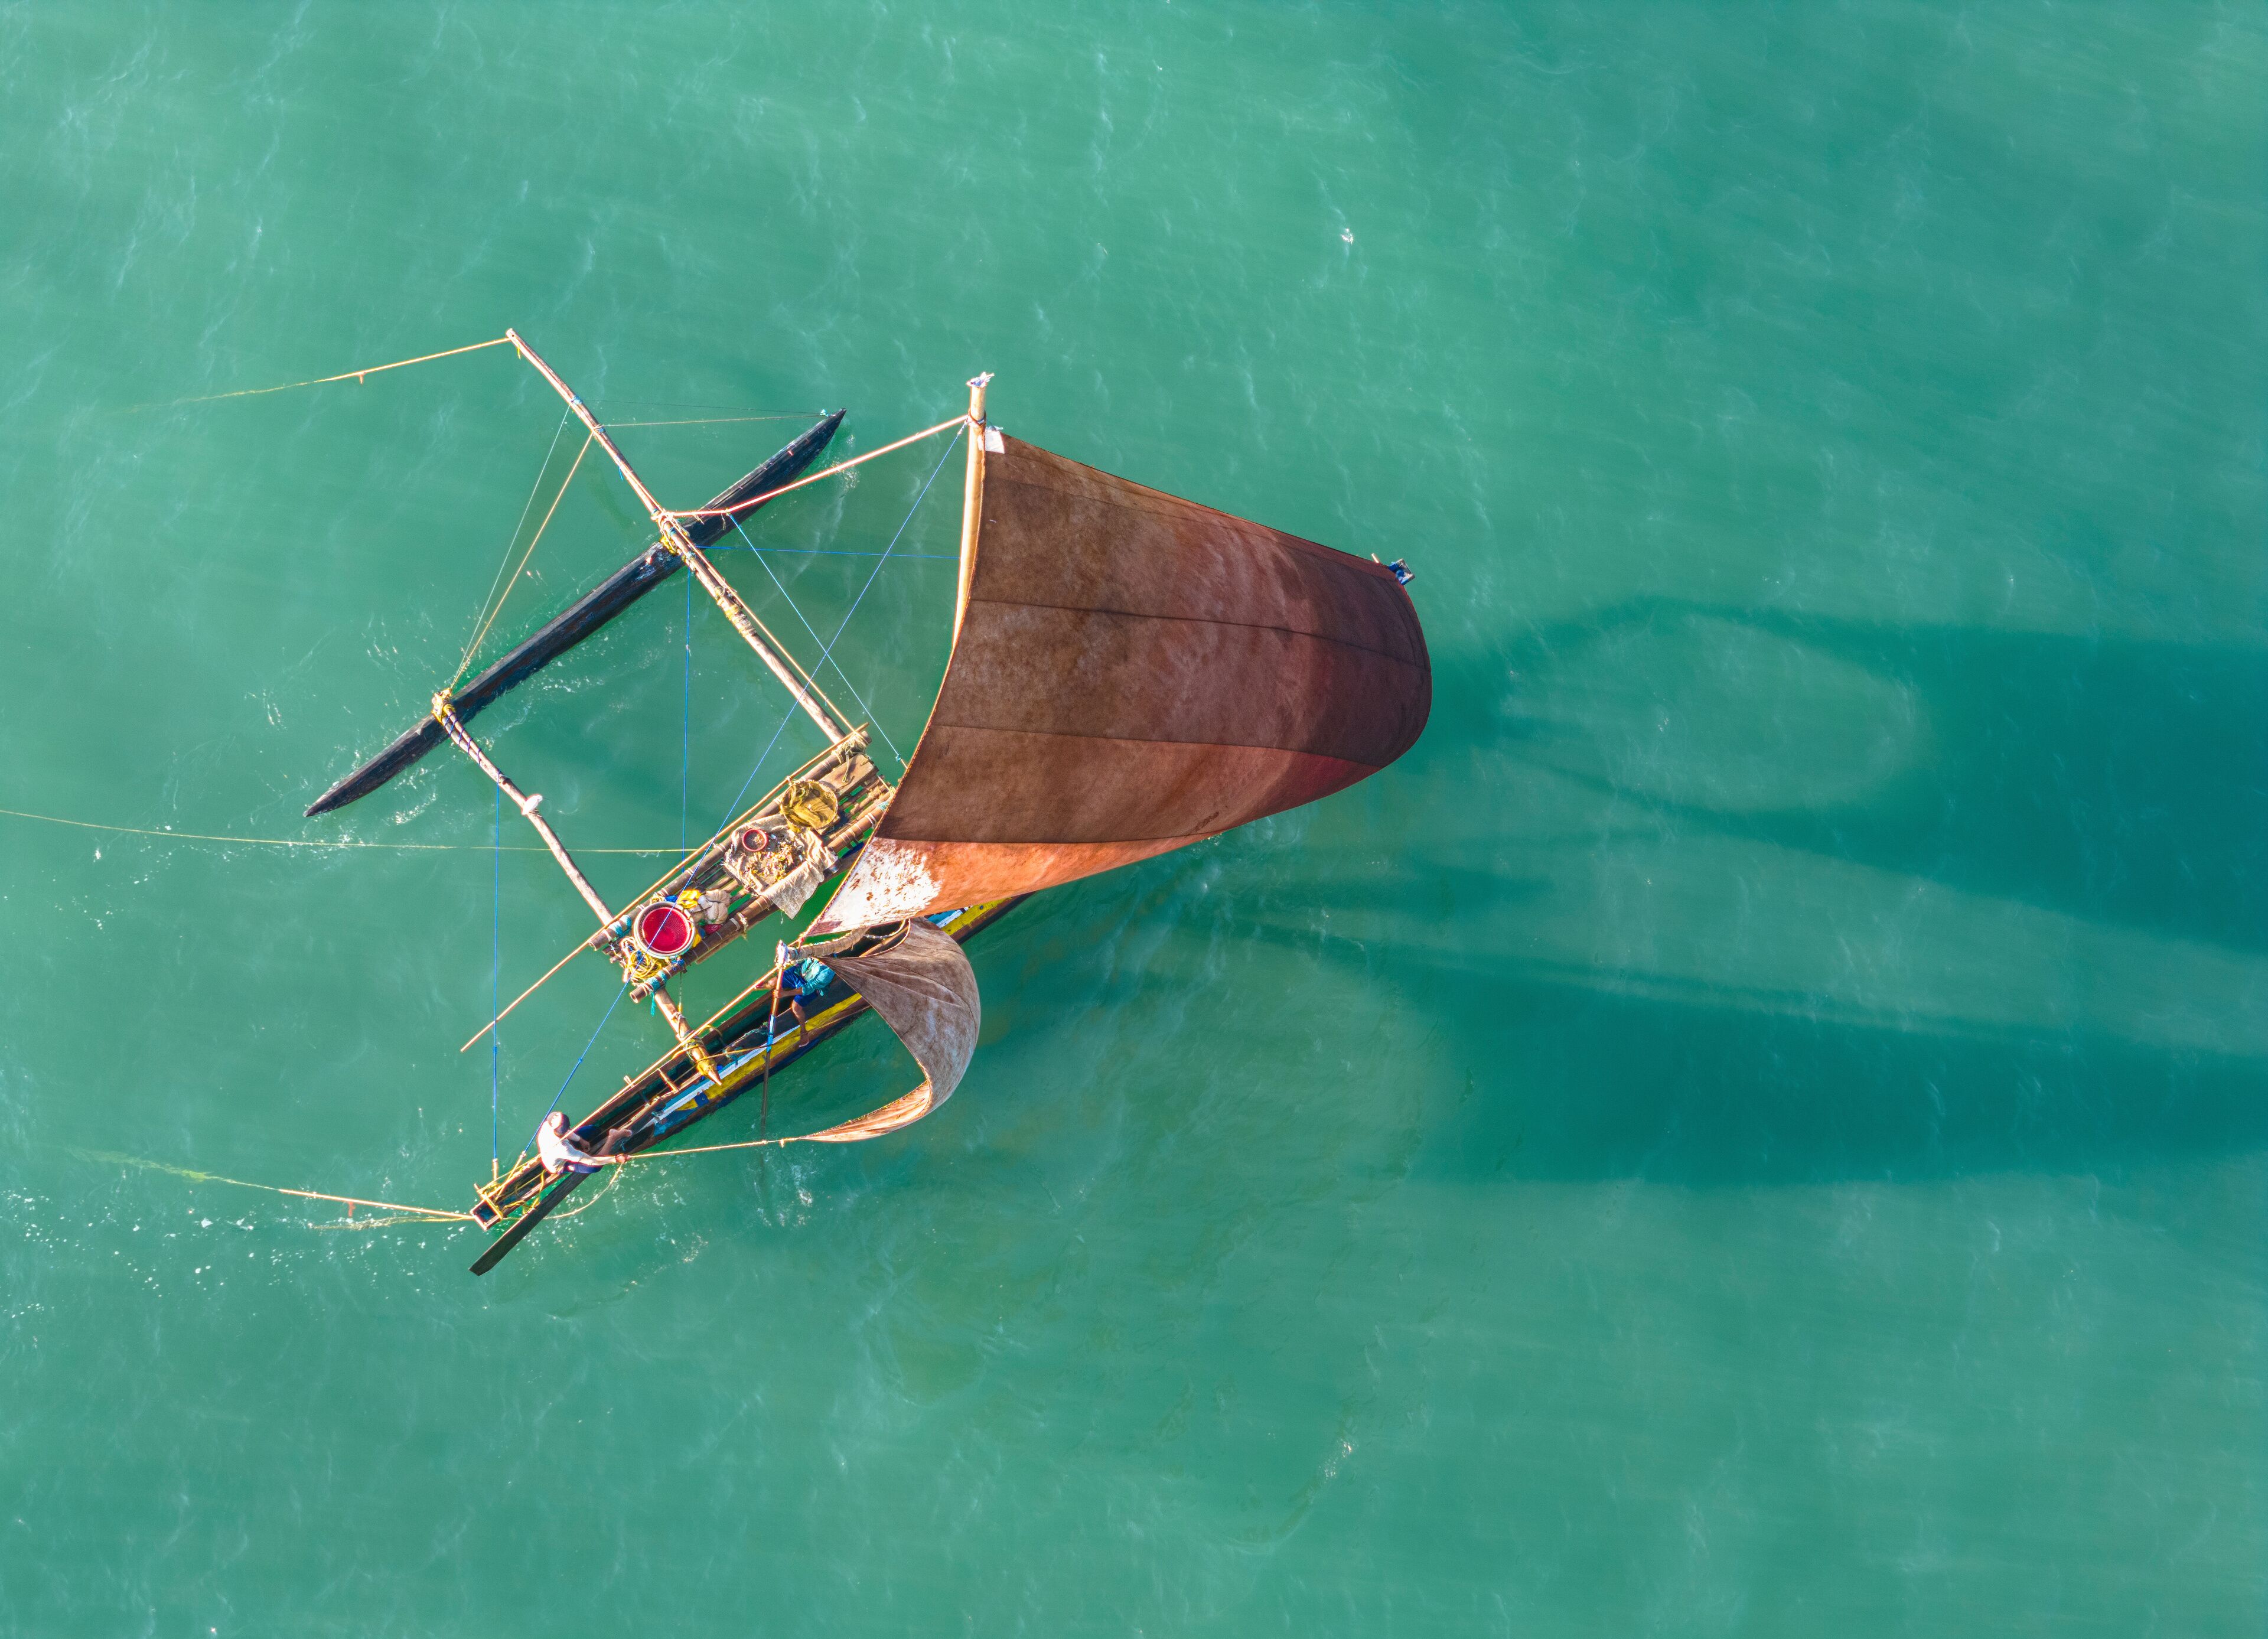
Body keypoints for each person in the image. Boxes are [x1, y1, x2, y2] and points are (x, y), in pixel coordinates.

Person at [536, 1111, 618, 1175]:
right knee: (595, 1168)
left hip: (564, 1144)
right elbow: (591, 1161)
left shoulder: (548, 1124)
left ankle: (605, 1134)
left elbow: (567, 1132)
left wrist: (580, 1140)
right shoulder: (563, 1149)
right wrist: (615, 1159)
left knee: (592, 1129)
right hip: (561, 1164)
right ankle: (612, 1137)